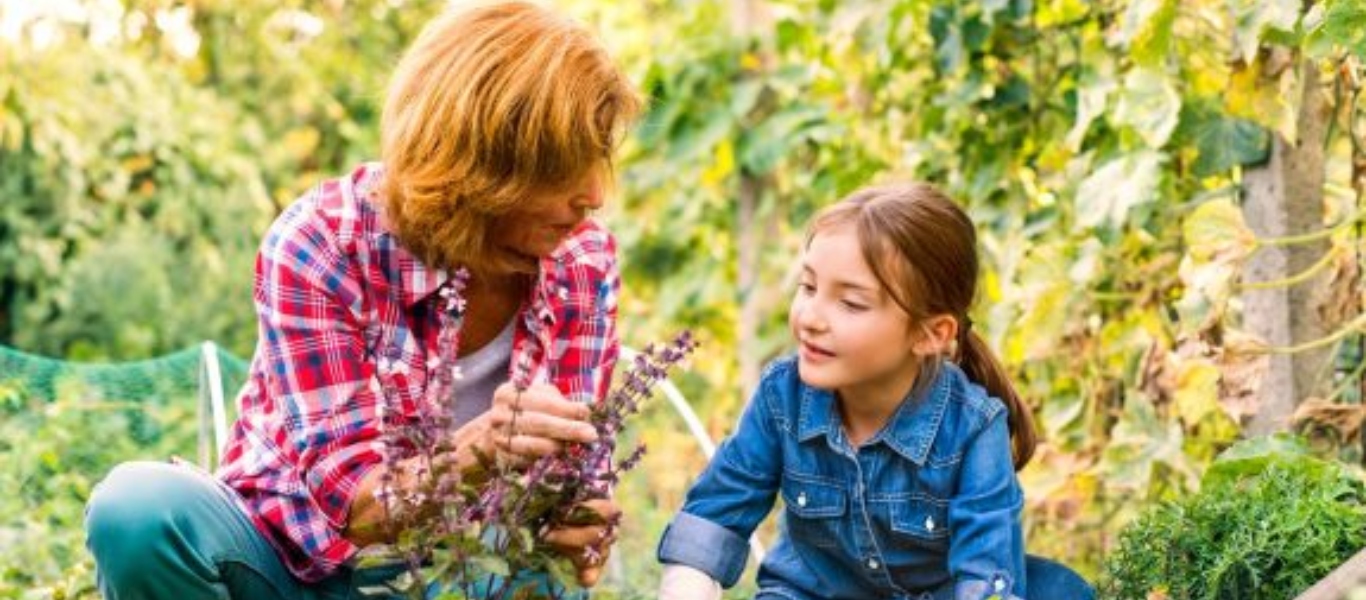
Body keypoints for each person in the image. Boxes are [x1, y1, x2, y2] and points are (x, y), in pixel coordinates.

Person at [84, 2, 641, 598]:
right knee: (138, 510)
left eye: (598, 158)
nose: (594, 194)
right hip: (291, 569)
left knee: (539, 573)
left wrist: (579, 525)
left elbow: (573, 477)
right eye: (564, 165)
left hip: (455, 574)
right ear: (483, 158)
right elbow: (355, 508)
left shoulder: (583, 260)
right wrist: (483, 449)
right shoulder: (322, 243)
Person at [655, 183, 1095, 599]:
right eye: (808, 287)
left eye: (851, 303)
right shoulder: (782, 396)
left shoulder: (974, 427)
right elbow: (716, 513)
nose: (810, 317)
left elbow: (985, 575)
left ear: (930, 334)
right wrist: (687, 586)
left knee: (1056, 590)